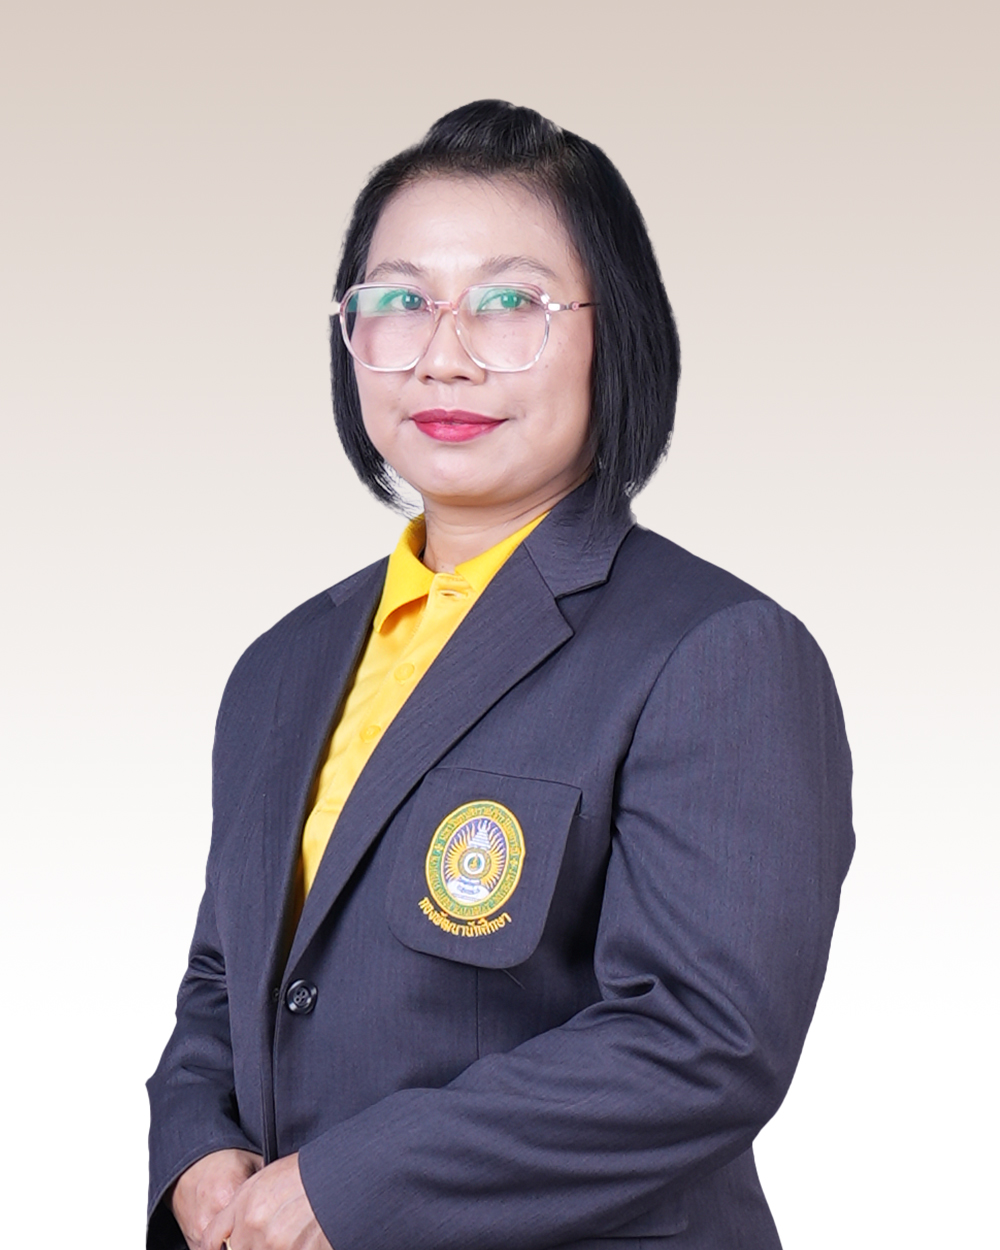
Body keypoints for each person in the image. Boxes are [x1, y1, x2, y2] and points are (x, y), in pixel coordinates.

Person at [147, 100, 854, 1250]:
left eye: (509, 303)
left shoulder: (717, 650)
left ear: (613, 330)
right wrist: (193, 1144)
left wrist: (351, 1186)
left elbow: (701, 1040)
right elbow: (226, 977)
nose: (444, 353)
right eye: (398, 303)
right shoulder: (281, 665)